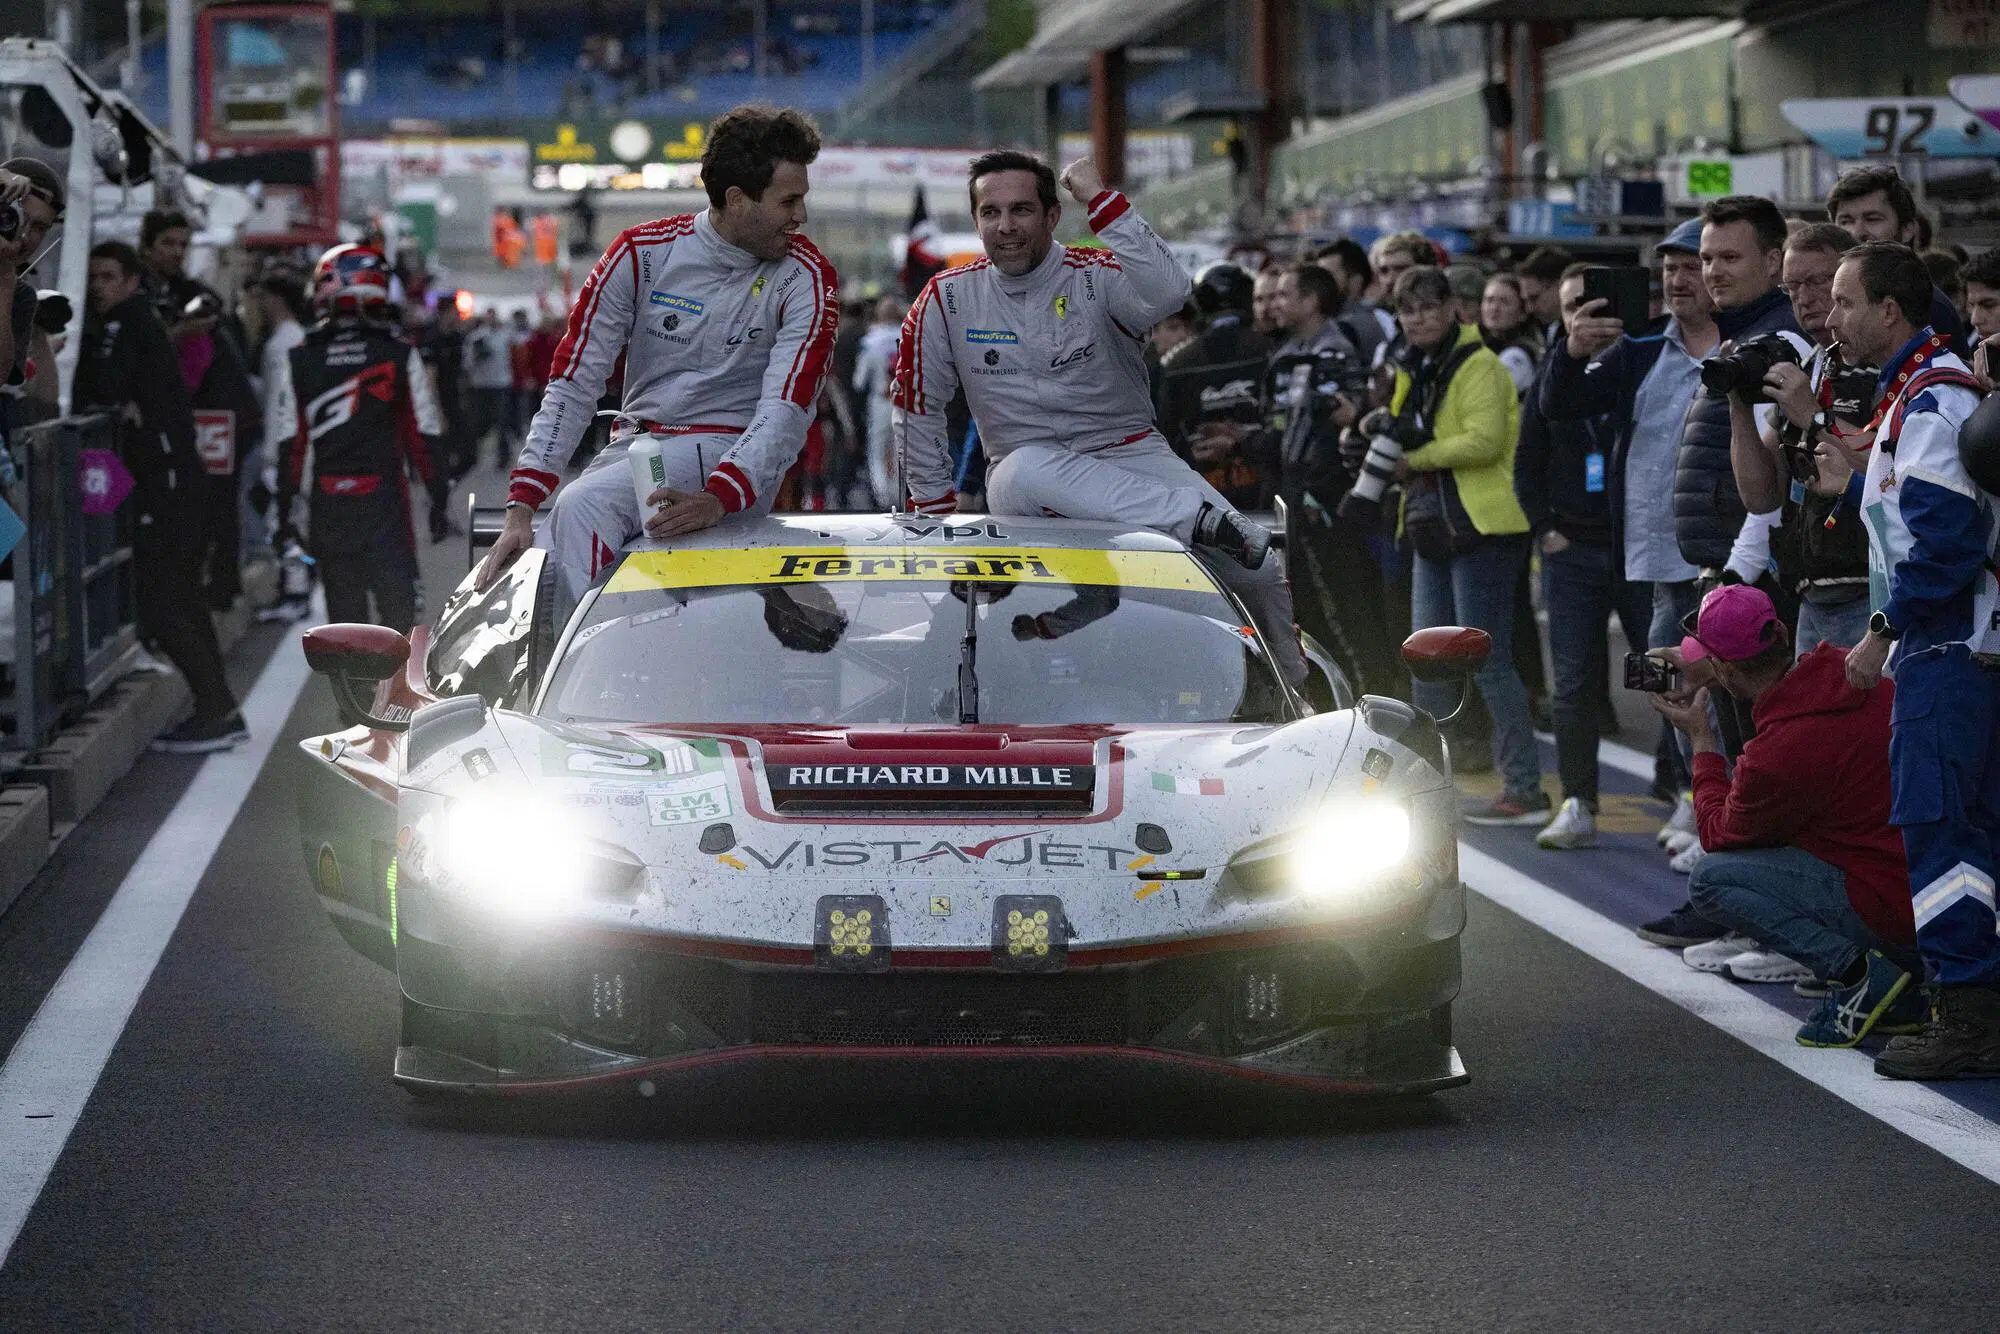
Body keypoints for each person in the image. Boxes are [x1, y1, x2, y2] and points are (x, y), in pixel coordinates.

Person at [892, 150, 1304, 687]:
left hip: (1131, 454)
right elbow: (916, 411)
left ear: (1051, 216)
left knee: (1262, 571)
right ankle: (1184, 529)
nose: (1005, 227)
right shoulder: (947, 297)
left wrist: (1101, 199)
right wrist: (937, 522)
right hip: (1029, 486)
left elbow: (1169, 291)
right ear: (975, 221)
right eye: (990, 213)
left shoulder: (1097, 275)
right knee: (1020, 470)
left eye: (1020, 210)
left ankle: (1298, 686)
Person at [476, 104, 840, 606]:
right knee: (546, 557)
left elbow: (788, 408)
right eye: (788, 201)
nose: (801, 216)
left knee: (581, 508)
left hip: (731, 455)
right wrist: (522, 506)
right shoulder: (640, 253)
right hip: (633, 451)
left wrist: (719, 496)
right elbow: (574, 382)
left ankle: (585, 684)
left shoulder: (807, 276)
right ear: (737, 200)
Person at [1817, 241, 2000, 1079]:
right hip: (1956, 648)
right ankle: (1972, 1010)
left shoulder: (1931, 403)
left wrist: (1881, 628)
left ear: (1890, 310)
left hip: (1947, 650)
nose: (1830, 316)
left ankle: (1962, 1017)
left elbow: (1947, 545)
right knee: (1967, 834)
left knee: (1942, 834)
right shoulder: (1920, 398)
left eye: (1844, 300)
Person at [1648, 585, 1923, 1043]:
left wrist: (1701, 739)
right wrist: (1715, 667)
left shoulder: (1778, 750)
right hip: (1925, 891)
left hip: (1884, 906)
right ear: (1780, 631)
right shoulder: (1845, 666)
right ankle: (1901, 980)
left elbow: (1717, 834)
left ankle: (1859, 975)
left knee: (1710, 879)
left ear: (1725, 671)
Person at [1540, 217, 1719, 891]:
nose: (1678, 279)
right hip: (1651, 556)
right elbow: (1558, 403)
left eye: (1692, 265)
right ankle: (1684, 796)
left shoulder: (1755, 344)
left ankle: (1703, 803)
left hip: (1733, 559)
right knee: (1660, 681)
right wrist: (1570, 345)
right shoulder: (1641, 351)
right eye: (1668, 267)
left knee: (1729, 692)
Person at [1381, 265, 1544, 819]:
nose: (1418, 317)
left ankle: (1525, 787)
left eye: (1428, 306)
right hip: (1434, 526)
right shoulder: (1416, 367)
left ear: (1454, 308)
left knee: (1489, 662)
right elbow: (1403, 427)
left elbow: (1484, 441)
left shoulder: (1480, 364)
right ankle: (1427, 787)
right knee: (1425, 661)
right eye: (1407, 309)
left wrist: (1412, 460)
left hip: (1483, 529)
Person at [75, 242, 246, 753]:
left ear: (130, 280)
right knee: (181, 601)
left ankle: (216, 709)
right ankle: (218, 708)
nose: (97, 287)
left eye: (107, 276)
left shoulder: (127, 321)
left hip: (167, 483)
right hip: (173, 478)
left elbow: (102, 386)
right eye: (94, 278)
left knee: (163, 602)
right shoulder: (139, 321)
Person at [1516, 264, 1651, 849]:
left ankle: (1680, 795)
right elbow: (1526, 461)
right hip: (1572, 552)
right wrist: (1545, 529)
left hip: (1639, 551)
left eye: (1595, 304)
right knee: (1571, 683)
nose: (1584, 316)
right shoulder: (1554, 373)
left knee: (1659, 672)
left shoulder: (1648, 363)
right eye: (1572, 306)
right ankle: (1578, 801)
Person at [270, 245, 450, 633]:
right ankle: (390, 693)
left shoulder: (301, 357)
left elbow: (290, 445)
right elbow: (424, 434)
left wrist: (285, 512)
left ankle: (351, 693)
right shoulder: (399, 354)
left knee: (345, 629)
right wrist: (439, 498)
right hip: (385, 503)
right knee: (400, 619)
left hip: (329, 503)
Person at [1728, 223, 1873, 653]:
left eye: (1817, 282)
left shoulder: (1883, 363)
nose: (1804, 298)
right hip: (1811, 594)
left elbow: (1885, 469)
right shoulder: (1811, 364)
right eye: (1792, 286)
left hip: (1871, 589)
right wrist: (1737, 403)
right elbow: (1761, 497)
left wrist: (1811, 414)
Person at [141, 208, 264, 610]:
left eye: (182, 244)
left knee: (218, 503)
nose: (176, 252)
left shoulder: (192, 291)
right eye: (168, 243)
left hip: (219, 417)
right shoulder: (144, 291)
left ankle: (219, 584)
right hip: (188, 419)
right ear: (147, 246)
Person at [1154, 262, 1273, 507]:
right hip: (1266, 490)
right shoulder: (1271, 350)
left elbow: (1163, 434)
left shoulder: (1179, 361)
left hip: (1204, 494)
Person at [1825, 165, 1969, 351]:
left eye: (1872, 219)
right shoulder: (1830, 300)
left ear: (1908, 229)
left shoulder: (1927, 306)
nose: (1856, 232)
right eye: (1845, 221)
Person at [243, 269, 308, 557]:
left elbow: (279, 404)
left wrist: (273, 455)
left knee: (278, 518)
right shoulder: (296, 338)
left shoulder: (281, 345)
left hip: (281, 447)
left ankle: (290, 586)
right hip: (291, 445)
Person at [0, 160, 61, 442]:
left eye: (38, 227)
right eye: (17, 216)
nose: (25, 234)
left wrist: (5, 278)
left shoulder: (20, 294)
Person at [851, 295, 903, 508]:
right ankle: (900, 498)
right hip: (904, 403)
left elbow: (859, 381)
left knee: (877, 453)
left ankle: (883, 500)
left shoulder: (870, 341)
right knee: (901, 451)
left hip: (880, 402)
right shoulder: (907, 335)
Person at [1309, 237, 1392, 360]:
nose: (1320, 283)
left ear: (1355, 281)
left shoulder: (1363, 323)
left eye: (1328, 276)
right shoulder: (1323, 320)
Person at [463, 309, 516, 469]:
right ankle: (472, 454)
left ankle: (504, 456)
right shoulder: (476, 337)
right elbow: (468, 362)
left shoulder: (505, 336)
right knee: (480, 423)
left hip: (500, 384)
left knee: (502, 421)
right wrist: (478, 356)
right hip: (481, 385)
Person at [1479, 273, 1543, 397]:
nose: (1494, 308)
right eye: (1489, 300)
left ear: (1522, 312)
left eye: (1504, 302)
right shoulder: (1482, 346)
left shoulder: (1518, 354)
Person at [1515, 246, 1572, 340]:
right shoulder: (1550, 330)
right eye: (1526, 300)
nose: (1530, 309)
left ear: (1559, 286)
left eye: (1534, 298)